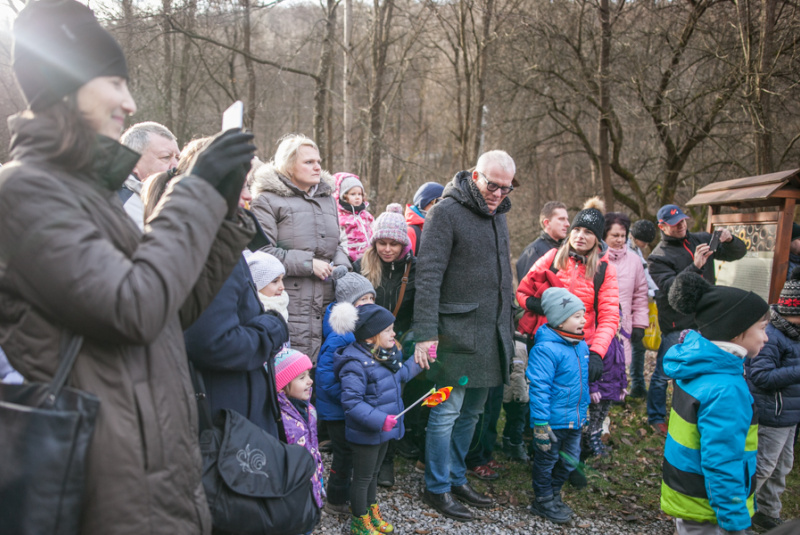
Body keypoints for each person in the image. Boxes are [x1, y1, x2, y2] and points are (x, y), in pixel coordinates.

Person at [0, 1, 258, 532]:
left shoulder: (84, 193)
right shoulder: (23, 192)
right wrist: (195, 191)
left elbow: (167, 309)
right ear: (67, 85)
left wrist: (223, 214)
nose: (129, 100)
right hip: (101, 483)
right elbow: (132, 307)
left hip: (155, 470)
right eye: (115, 83)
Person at [413, 150, 516, 522]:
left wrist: (511, 315)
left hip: (492, 333)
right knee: (446, 413)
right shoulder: (445, 212)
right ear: (475, 176)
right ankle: (436, 487)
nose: (499, 194)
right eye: (493, 185)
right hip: (454, 333)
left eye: (506, 188)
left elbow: (503, 272)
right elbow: (427, 276)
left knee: (472, 412)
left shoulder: (498, 215)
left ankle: (456, 477)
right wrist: (425, 333)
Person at [660, 271, 769, 535]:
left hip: (689, 494)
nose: (766, 338)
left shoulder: (697, 366)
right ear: (735, 332)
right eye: (762, 329)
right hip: (711, 508)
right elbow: (722, 459)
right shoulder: (725, 388)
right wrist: (733, 518)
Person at [184, 188, 290, 438]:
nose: (248, 194)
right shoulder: (214, 251)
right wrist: (272, 327)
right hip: (226, 417)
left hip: (232, 408)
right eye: (239, 183)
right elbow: (213, 342)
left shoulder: (222, 245)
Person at [646, 204, 747, 435]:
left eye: (683, 221)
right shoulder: (657, 257)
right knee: (664, 373)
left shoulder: (700, 239)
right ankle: (656, 416)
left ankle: (692, 412)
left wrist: (730, 241)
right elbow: (671, 288)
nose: (681, 225)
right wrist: (696, 265)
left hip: (706, 318)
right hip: (676, 323)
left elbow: (737, 254)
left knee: (700, 370)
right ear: (662, 227)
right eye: (675, 224)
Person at [250, 134, 351, 360]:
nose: (317, 167)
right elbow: (261, 253)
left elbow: (339, 244)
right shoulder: (266, 200)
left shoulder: (328, 199)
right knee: (291, 373)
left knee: (325, 373)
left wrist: (342, 267)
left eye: (318, 162)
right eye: (308, 162)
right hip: (289, 301)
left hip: (327, 300)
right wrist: (308, 264)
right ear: (288, 166)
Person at [331, 303, 427, 535]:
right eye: (388, 330)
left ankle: (370, 512)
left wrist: (418, 361)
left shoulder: (385, 355)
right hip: (366, 431)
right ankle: (359, 520)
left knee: (373, 474)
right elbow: (352, 403)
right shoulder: (355, 364)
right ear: (370, 336)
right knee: (363, 478)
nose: (394, 333)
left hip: (384, 430)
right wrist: (379, 420)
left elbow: (401, 375)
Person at [354, 203, 419, 486]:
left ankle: (387, 460)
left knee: (392, 402)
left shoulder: (415, 269)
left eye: (394, 243)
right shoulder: (362, 265)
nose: (388, 249)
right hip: (364, 343)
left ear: (403, 243)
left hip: (398, 342)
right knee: (365, 401)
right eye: (382, 242)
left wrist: (404, 341)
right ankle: (361, 457)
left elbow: (421, 310)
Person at [316, 267, 376, 515]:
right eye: (363, 300)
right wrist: (348, 398)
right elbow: (325, 376)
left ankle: (348, 495)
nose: (369, 304)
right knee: (344, 454)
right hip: (337, 409)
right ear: (348, 304)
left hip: (348, 406)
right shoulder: (341, 335)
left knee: (350, 452)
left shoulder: (359, 331)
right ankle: (335, 500)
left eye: (372, 298)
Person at [527, 287, 589, 524]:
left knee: (570, 459)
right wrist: (541, 423)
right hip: (552, 422)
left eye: (583, 315)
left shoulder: (580, 345)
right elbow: (539, 388)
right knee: (546, 461)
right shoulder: (546, 349)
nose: (583, 320)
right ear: (559, 320)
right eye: (577, 316)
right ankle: (542, 500)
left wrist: (585, 413)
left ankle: (554, 492)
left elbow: (582, 384)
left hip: (575, 420)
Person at [745, 269, 800, 532]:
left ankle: (767, 512)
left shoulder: (795, 334)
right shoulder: (773, 336)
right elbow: (761, 376)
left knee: (782, 466)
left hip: (790, 416)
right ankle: (737, 511)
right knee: (763, 466)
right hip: (772, 415)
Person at [274, 348, 326, 516]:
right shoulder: (279, 419)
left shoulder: (309, 410)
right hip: (293, 488)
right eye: (302, 378)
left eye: (309, 375)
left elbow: (313, 444)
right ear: (282, 386)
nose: (310, 381)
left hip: (311, 478)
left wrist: (318, 472)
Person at [603, 212, 648, 397]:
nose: (619, 240)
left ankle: (617, 394)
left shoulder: (634, 260)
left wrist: (639, 323)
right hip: (600, 321)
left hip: (624, 323)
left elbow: (640, 294)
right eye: (615, 236)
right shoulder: (596, 258)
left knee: (620, 362)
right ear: (604, 235)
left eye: (623, 236)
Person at [119, 122, 180, 230]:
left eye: (178, 158)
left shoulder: (174, 197)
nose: (176, 165)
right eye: (166, 157)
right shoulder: (122, 208)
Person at [627, 218, 658, 398]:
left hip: (635, 306)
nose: (645, 245)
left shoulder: (635, 250)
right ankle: (630, 385)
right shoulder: (628, 251)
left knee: (638, 346)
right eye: (643, 241)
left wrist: (655, 292)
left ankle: (637, 385)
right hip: (627, 307)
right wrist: (653, 292)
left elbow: (645, 275)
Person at [516, 201, 570, 281]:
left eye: (567, 219)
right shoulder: (533, 251)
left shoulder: (566, 249)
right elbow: (526, 289)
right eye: (561, 219)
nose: (567, 224)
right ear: (547, 223)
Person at [335, 172, 374, 262]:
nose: (357, 197)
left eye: (359, 194)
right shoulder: (340, 217)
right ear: (344, 197)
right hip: (348, 258)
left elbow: (374, 230)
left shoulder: (367, 216)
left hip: (368, 258)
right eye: (353, 194)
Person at [246, 249, 289, 320]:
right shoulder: (248, 313)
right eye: (275, 281)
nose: (282, 287)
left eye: (282, 280)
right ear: (256, 283)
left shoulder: (282, 306)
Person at [405, 181, 444, 255]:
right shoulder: (411, 232)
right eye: (439, 201)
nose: (443, 206)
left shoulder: (441, 228)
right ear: (424, 203)